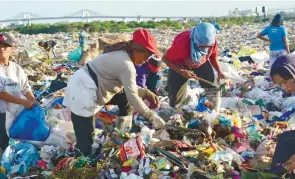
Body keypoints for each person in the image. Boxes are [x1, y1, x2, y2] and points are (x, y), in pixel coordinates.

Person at [63, 29, 166, 157]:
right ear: (137, 50)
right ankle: (80, 166)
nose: (146, 60)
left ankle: (122, 134)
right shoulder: (126, 64)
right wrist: (151, 116)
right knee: (85, 137)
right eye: (147, 55)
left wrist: (145, 92)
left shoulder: (124, 56)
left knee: (124, 99)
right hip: (83, 89)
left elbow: (130, 90)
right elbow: (132, 95)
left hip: (92, 85)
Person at [0, 33, 35, 150]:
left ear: (12, 49)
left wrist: (32, 101)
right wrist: (22, 102)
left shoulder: (16, 68)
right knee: (3, 148)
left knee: (20, 147)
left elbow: (25, 88)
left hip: (18, 115)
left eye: (5, 46)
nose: (1, 49)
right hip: (1, 117)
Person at [161, 22, 226, 112]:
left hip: (201, 63)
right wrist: (181, 71)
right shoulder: (181, 44)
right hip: (180, 65)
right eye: (201, 46)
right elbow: (164, 58)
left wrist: (219, 71)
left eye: (207, 47)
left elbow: (213, 56)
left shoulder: (212, 42)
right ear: (194, 40)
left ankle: (213, 113)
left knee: (212, 87)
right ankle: (176, 116)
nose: (204, 49)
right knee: (175, 98)